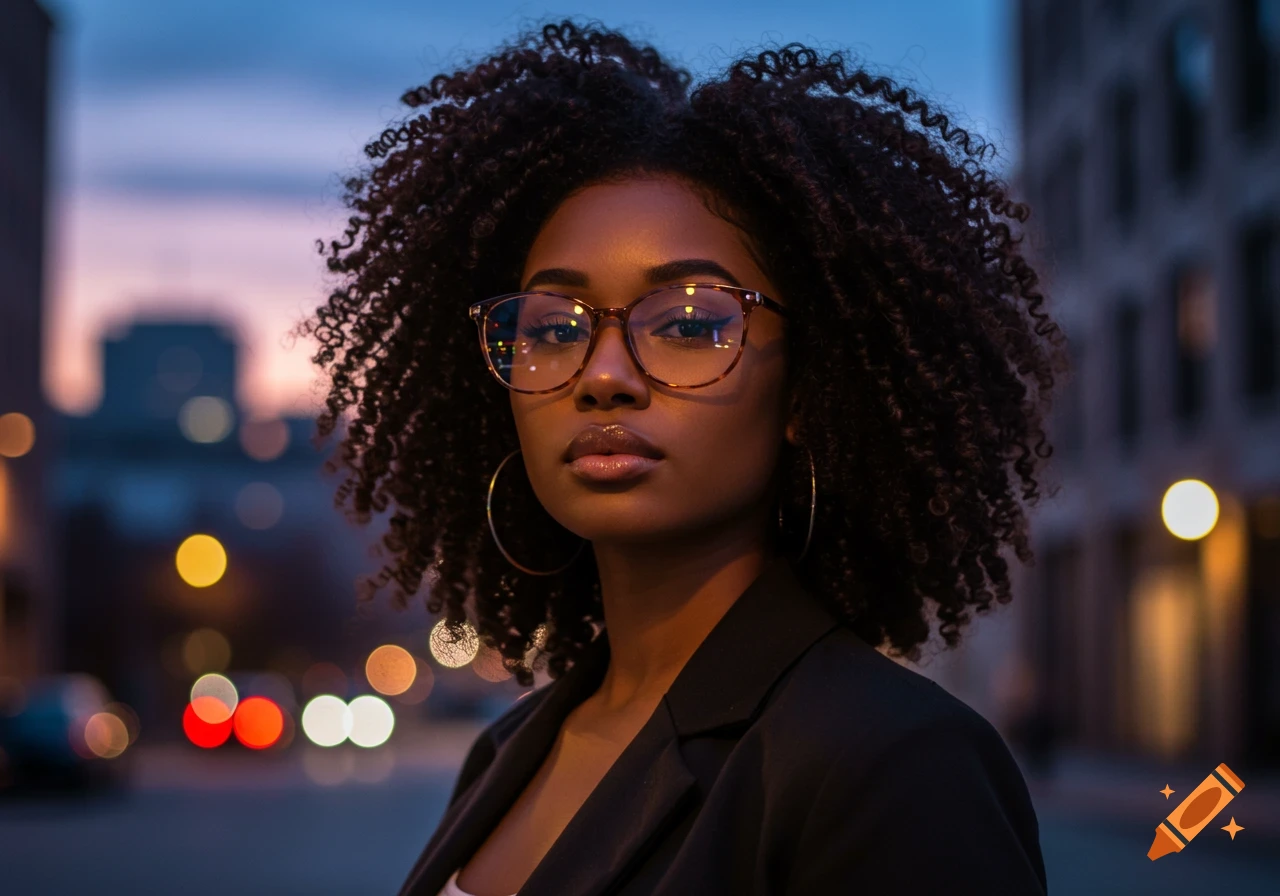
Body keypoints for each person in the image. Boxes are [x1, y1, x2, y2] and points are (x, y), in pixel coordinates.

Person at [297, 17, 1066, 896]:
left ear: (811, 393)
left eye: (692, 323)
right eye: (553, 328)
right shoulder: (507, 751)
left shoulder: (894, 762)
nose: (604, 377)